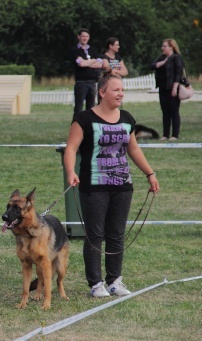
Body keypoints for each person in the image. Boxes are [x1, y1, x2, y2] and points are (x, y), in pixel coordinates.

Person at [64, 73, 160, 298]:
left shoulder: (126, 118)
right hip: (94, 186)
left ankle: (115, 281)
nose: (121, 93)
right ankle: (96, 284)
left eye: (122, 90)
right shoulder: (84, 119)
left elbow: (133, 149)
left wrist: (150, 173)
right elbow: (71, 148)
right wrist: (71, 172)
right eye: (116, 90)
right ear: (102, 92)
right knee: (95, 235)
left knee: (116, 234)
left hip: (122, 186)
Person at [150, 38, 184, 142]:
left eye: (164, 46)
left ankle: (175, 135)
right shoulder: (162, 57)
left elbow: (178, 73)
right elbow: (152, 66)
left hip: (173, 88)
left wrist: (174, 88)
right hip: (162, 88)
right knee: (165, 112)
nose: (162, 48)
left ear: (171, 47)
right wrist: (162, 62)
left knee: (174, 111)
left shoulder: (176, 57)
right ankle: (165, 134)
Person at [71, 29, 103, 119]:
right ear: (79, 37)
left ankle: (89, 129)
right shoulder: (75, 50)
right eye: (83, 36)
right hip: (81, 82)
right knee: (79, 108)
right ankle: (76, 129)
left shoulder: (92, 50)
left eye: (87, 36)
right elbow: (81, 64)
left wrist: (87, 62)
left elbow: (100, 64)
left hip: (92, 82)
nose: (85, 38)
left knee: (91, 108)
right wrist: (92, 61)